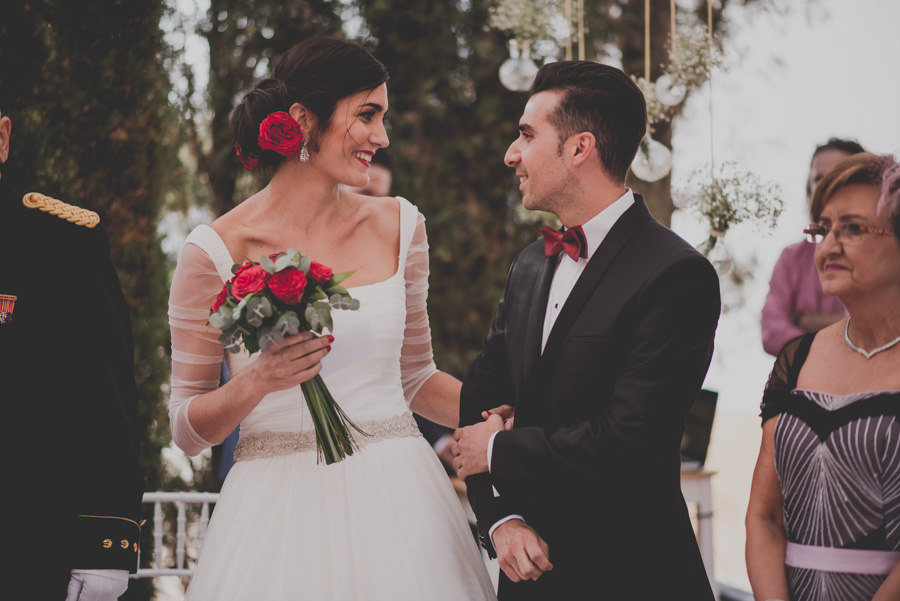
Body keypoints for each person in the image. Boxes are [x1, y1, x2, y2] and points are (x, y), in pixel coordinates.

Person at [167, 38, 496, 600]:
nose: (382, 137)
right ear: (302, 120)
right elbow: (187, 429)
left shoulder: (401, 227)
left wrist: (503, 417)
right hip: (275, 518)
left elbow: (416, 379)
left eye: (384, 117)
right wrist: (257, 379)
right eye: (367, 115)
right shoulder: (214, 252)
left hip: (403, 504)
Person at [451, 61, 721, 600]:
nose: (511, 153)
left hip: (633, 575)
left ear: (580, 148)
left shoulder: (675, 275)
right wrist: (502, 518)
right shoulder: (529, 264)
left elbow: (631, 443)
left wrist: (500, 450)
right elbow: (478, 404)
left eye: (527, 135)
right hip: (528, 581)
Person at [0, 106, 144, 599]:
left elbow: (104, 396)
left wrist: (106, 545)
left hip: (23, 542)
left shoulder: (60, 241)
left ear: (2, 139)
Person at [746, 153, 900, 601]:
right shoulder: (797, 358)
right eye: (823, 229)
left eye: (852, 228)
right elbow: (764, 516)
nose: (829, 246)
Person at [760, 138, 865, 356]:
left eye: (838, 177)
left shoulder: (881, 249)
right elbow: (771, 332)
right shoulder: (791, 257)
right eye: (819, 179)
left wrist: (803, 320)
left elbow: (869, 327)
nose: (826, 187)